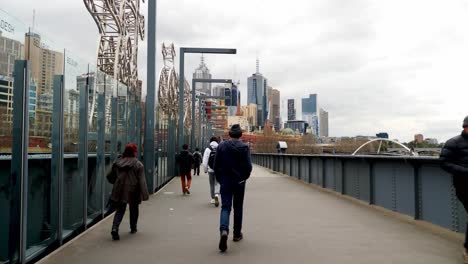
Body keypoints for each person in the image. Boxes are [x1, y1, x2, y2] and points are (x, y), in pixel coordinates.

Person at [214, 124, 252, 252]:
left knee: (225, 207)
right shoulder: (245, 147)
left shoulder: (221, 146)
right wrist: (244, 178)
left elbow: (216, 165)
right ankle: (236, 234)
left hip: (225, 181)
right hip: (239, 182)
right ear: (240, 135)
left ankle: (224, 230)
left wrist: (220, 179)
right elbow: (248, 166)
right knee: (238, 207)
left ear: (229, 134)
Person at [106, 143, 149, 241]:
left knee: (120, 209)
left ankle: (114, 228)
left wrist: (115, 181)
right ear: (134, 152)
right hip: (133, 190)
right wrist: (145, 195)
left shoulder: (118, 162)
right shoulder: (138, 164)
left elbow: (109, 176)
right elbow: (142, 181)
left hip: (119, 188)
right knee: (134, 209)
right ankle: (133, 227)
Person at [440, 116, 468, 262]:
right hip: (464, 186)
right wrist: (464, 171)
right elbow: (444, 162)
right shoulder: (454, 142)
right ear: (465, 127)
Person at [202, 137, 220, 207]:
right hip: (218, 170)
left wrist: (205, 170)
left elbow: (205, 161)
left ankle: (212, 198)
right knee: (217, 182)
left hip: (210, 170)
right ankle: (216, 194)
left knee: (211, 184)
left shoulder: (208, 149)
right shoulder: (220, 148)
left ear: (210, 141)